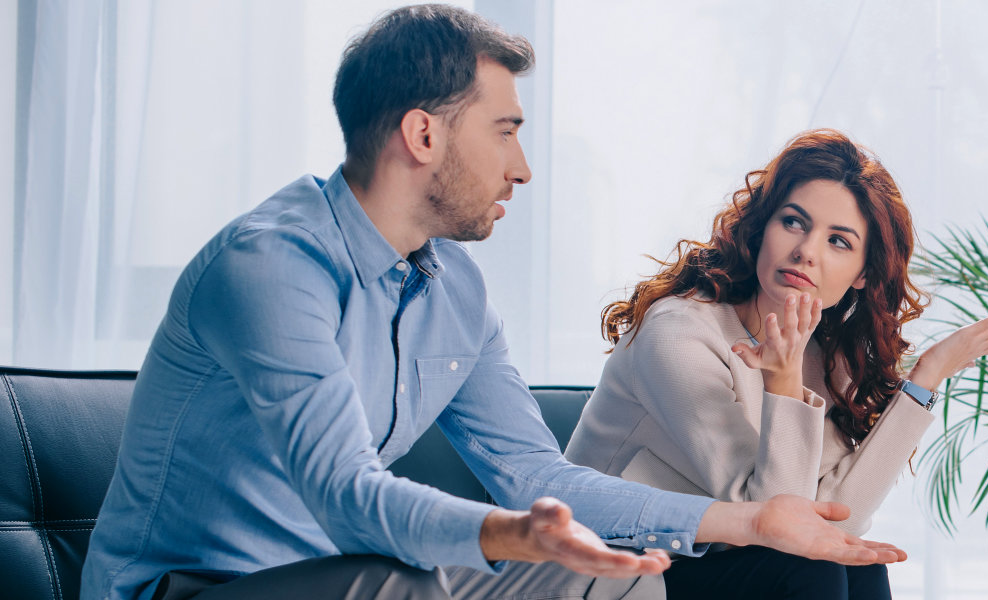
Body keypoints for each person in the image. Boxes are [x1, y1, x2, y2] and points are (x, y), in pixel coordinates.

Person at [78, 6, 903, 600]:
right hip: (200, 586)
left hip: (342, 574)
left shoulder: (454, 289)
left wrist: (749, 525)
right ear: (424, 136)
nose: (523, 167)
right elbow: (345, 493)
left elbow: (535, 472)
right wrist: (506, 533)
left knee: (621, 585)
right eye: (504, 130)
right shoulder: (270, 266)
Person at [567, 129, 988, 599]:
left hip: (705, 561)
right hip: (610, 569)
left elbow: (839, 520)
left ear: (862, 275)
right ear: (762, 228)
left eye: (838, 241)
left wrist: (925, 379)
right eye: (794, 222)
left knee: (861, 567)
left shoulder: (823, 357)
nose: (806, 252)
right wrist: (783, 381)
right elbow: (775, 520)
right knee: (812, 570)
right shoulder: (678, 333)